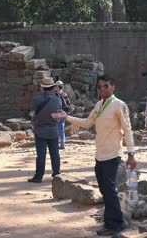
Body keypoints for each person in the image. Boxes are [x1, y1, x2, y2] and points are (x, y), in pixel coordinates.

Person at [57, 74, 136, 237]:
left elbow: (127, 130)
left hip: (113, 156)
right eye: (99, 87)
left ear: (113, 87)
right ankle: (110, 222)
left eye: (105, 86)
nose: (101, 89)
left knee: (109, 190)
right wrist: (67, 118)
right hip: (99, 156)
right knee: (105, 190)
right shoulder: (99, 105)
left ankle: (116, 224)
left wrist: (131, 154)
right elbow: (87, 123)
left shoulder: (119, 105)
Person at [28, 77, 62, 183]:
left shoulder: (36, 99)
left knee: (41, 155)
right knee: (55, 153)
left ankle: (39, 176)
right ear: (53, 87)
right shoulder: (58, 100)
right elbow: (59, 114)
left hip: (40, 130)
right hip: (53, 130)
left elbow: (32, 113)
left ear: (42, 87)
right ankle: (56, 173)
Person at [55, 80, 71, 149]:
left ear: (58, 86)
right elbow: (69, 103)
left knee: (57, 128)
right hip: (65, 113)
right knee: (61, 128)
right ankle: (62, 143)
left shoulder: (56, 94)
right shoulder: (64, 94)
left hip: (59, 113)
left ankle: (59, 143)